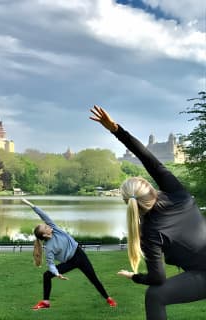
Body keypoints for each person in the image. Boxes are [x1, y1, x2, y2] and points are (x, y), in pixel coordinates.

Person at [89, 105, 206, 320]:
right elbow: (146, 157)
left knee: (155, 295)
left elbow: (157, 278)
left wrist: (135, 277)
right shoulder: (177, 193)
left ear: (128, 204)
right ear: (148, 184)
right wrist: (115, 129)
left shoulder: (149, 231)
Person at [21, 198, 117, 310]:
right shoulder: (49, 248)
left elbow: (44, 215)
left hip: (79, 254)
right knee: (47, 275)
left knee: (93, 278)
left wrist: (31, 205)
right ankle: (45, 302)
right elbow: (50, 264)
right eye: (46, 227)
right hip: (69, 262)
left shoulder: (55, 229)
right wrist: (56, 273)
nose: (48, 226)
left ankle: (108, 298)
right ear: (46, 235)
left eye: (46, 225)